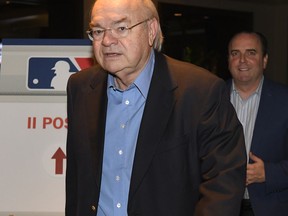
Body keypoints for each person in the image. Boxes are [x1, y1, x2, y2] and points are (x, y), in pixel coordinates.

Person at [65, 0, 246, 215]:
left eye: (121, 28)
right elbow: (77, 181)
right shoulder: (81, 87)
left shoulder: (200, 92)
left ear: (151, 30)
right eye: (98, 30)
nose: (107, 41)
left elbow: (223, 187)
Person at [227, 31, 288, 216]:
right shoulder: (210, 99)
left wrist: (269, 173)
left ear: (265, 60)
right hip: (221, 207)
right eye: (235, 53)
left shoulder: (285, 100)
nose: (242, 60)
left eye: (251, 52)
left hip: (272, 207)